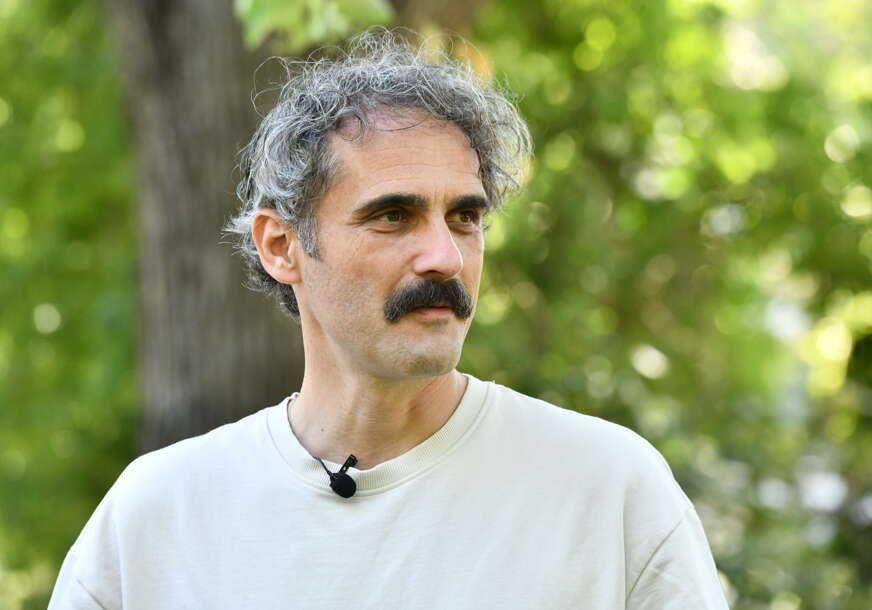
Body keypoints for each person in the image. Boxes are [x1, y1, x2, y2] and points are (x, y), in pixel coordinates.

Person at [49, 29, 730, 609]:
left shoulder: (608, 492)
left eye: (464, 217)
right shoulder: (157, 517)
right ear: (282, 246)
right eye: (393, 216)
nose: (444, 257)